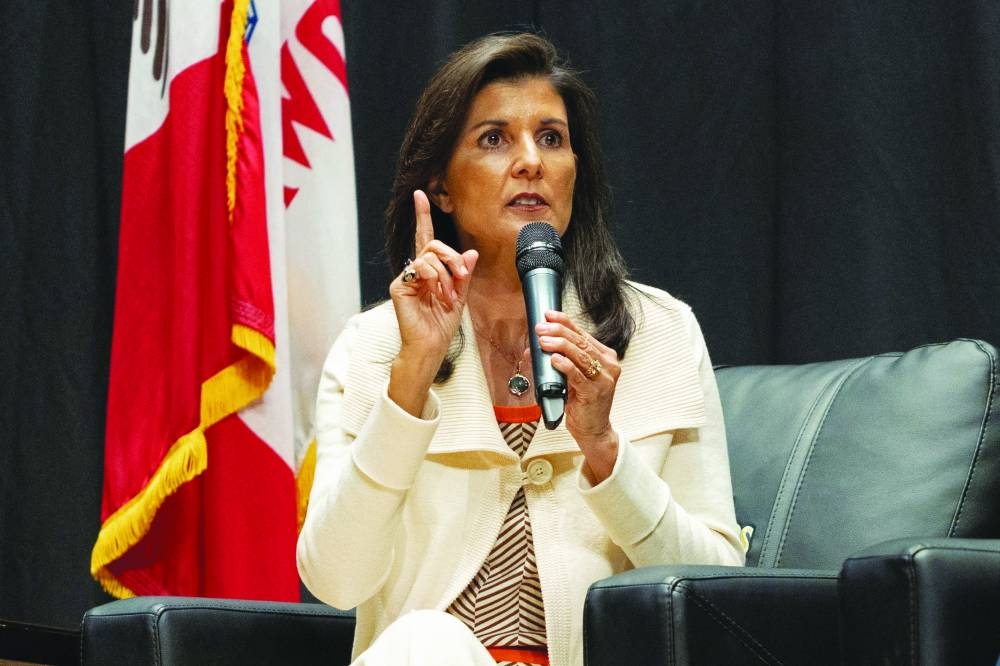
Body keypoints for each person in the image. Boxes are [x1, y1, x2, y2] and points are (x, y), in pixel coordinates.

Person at [297, 32, 744, 666]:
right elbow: (334, 580)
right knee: (431, 644)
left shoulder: (660, 332)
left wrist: (604, 451)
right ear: (442, 187)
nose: (531, 161)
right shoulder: (371, 348)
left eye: (552, 138)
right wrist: (412, 376)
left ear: (574, 173)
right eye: (494, 138)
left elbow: (718, 590)